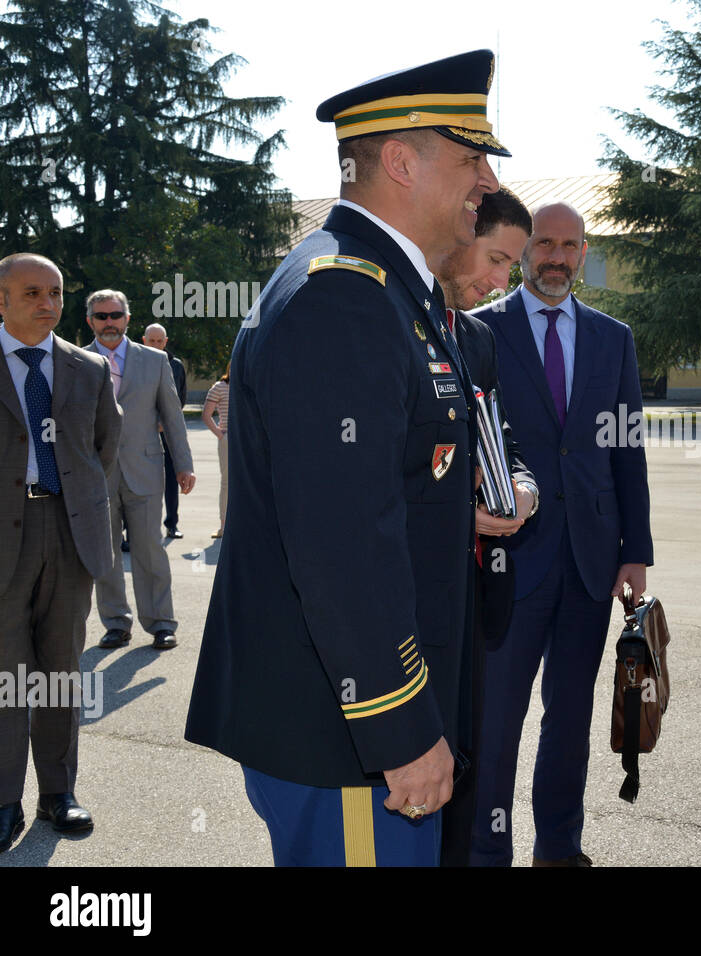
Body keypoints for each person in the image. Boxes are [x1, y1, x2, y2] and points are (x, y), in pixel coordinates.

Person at [184, 49, 507, 867]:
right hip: (352, 743)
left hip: (352, 725)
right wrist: (400, 728)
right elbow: (340, 543)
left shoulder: (388, 288)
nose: (488, 184)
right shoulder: (345, 295)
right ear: (400, 162)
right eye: (471, 160)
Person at [468, 200, 653, 867]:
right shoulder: (479, 330)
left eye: (569, 245)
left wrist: (636, 552)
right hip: (509, 560)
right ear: (524, 251)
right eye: (543, 243)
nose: (555, 256)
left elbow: (626, 450)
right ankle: (488, 854)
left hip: (590, 562)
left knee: (569, 722)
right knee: (496, 724)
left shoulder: (613, 338)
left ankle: (559, 849)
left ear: (583, 251)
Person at [432, 186, 538, 866]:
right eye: (496, 259)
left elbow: (503, 443)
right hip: (411, 608)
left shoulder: (475, 337)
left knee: (464, 775)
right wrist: (451, 510)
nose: (502, 281)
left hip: (474, 597)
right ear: (460, 231)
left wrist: (522, 489)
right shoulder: (391, 321)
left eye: (512, 266)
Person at [0, 253, 120, 849]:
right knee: (8, 676)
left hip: (71, 535)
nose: (47, 303)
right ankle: (3, 801)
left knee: (60, 675)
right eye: (31, 293)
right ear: (1, 300)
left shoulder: (88, 368)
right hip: (4, 539)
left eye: (55, 292)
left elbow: (103, 449)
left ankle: (58, 794)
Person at [87, 291, 195, 651]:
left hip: (145, 468)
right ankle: (116, 622)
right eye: (101, 316)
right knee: (107, 551)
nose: (109, 322)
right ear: (91, 321)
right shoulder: (77, 361)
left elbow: (172, 415)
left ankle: (161, 622)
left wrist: (184, 464)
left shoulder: (154, 360)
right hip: (95, 473)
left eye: (116, 315)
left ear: (127, 319)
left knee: (150, 549)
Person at [141, 323, 186, 539]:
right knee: (139, 481)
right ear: (144, 340)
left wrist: (165, 422)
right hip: (141, 434)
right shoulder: (135, 364)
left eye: (160, 341)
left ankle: (172, 524)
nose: (156, 345)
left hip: (168, 435)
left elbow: (181, 398)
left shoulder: (176, 366)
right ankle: (134, 528)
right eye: (152, 341)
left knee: (171, 479)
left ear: (165, 342)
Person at [201, 364, 230, 538]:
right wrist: (220, 435)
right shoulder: (219, 388)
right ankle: (224, 526)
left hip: (249, 439)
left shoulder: (249, 385)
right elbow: (206, 414)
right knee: (227, 483)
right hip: (228, 438)